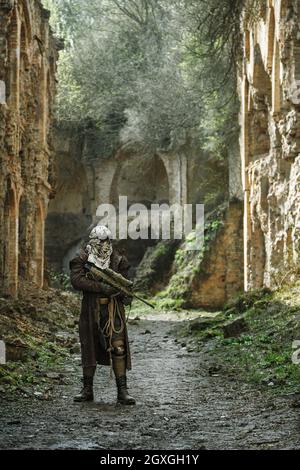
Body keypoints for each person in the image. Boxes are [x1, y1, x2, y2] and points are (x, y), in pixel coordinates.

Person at [69, 224, 135, 405]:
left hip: (113, 309)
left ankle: (123, 392)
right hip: (90, 309)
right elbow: (76, 280)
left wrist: (121, 292)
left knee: (118, 346)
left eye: (106, 241)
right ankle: (87, 390)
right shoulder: (82, 258)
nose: (103, 244)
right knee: (88, 346)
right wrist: (100, 287)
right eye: (99, 241)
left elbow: (126, 284)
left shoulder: (118, 260)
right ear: (92, 241)